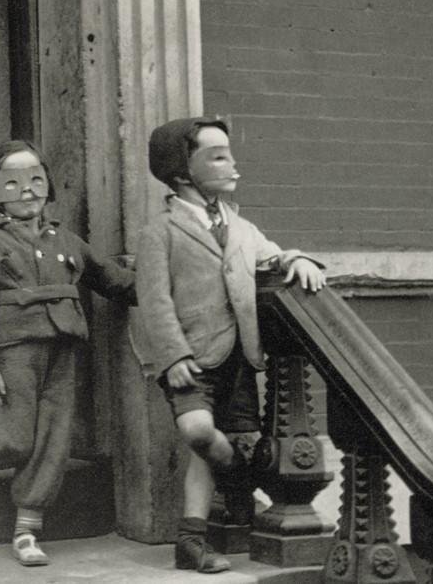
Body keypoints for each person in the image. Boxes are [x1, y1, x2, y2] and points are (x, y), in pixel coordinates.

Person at [0, 140, 137, 566]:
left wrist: (167, 284)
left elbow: (114, 280)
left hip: (63, 350)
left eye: (36, 179)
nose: (28, 190)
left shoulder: (66, 240)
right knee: (13, 440)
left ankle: (27, 530)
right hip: (13, 353)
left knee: (52, 440)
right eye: (13, 183)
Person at [130, 117, 326, 573]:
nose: (232, 164)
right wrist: (173, 356)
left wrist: (295, 259)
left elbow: (269, 254)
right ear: (183, 173)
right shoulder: (159, 231)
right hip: (190, 359)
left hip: (238, 355)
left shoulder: (240, 225)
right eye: (218, 156)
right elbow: (154, 300)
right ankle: (236, 482)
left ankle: (191, 542)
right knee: (200, 433)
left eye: (229, 153)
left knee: (224, 442)